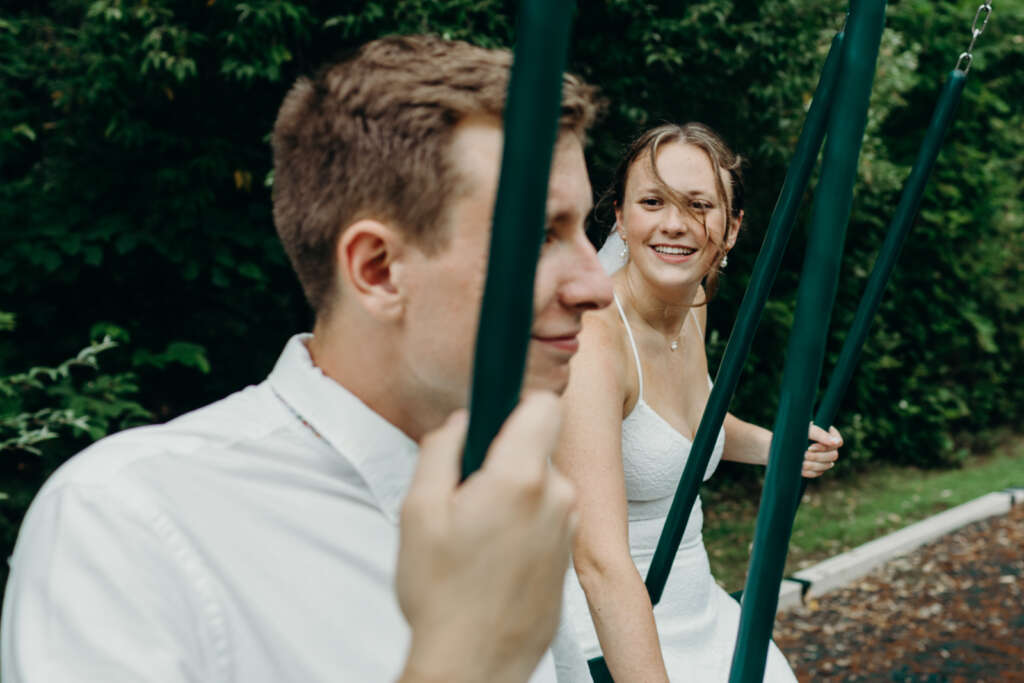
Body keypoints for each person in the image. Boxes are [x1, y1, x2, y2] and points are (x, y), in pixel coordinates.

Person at [1, 35, 614, 682]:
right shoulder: (123, 525)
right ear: (378, 270)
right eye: (542, 234)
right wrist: (464, 656)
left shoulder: (507, 498)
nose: (597, 283)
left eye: (584, 232)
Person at [552, 123, 844, 682]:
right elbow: (599, 563)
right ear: (620, 216)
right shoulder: (591, 341)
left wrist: (777, 445)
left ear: (731, 229)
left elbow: (687, 427)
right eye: (652, 201)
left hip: (698, 607)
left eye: (698, 205)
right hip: (607, 630)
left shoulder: (692, 305)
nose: (674, 224)